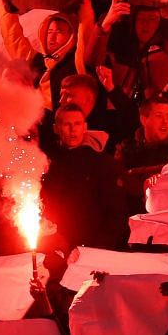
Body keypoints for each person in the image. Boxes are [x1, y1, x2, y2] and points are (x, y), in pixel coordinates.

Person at [40, 105, 124, 250]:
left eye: (77, 124)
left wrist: (101, 245)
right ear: (56, 128)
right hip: (55, 244)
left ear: (85, 126)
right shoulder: (46, 162)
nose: (73, 130)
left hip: (93, 245)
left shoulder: (101, 163)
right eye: (67, 124)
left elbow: (115, 210)